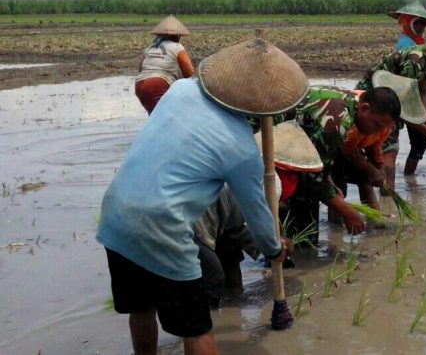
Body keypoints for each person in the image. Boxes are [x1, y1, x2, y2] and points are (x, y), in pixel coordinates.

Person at [97, 38, 305, 355]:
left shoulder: (179, 91)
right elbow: (258, 216)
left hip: (115, 214)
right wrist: (275, 249)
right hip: (161, 226)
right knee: (196, 329)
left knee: (142, 308)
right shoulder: (241, 149)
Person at [194, 121, 326, 307]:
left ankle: (229, 310)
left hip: (217, 220)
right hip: (195, 225)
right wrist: (275, 247)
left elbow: (237, 227)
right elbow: (248, 225)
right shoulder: (270, 182)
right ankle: (206, 328)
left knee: (228, 257)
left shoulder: (243, 160)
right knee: (212, 280)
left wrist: (270, 245)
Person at [279, 85, 408, 242]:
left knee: (308, 220)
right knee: (300, 230)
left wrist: (331, 185)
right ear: (365, 108)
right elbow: (313, 176)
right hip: (274, 147)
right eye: (377, 125)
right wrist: (347, 212)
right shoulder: (336, 121)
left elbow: (321, 164)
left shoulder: (351, 103)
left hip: (293, 148)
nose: (376, 132)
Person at [356, 30, 426, 187]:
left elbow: (421, 92)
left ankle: (387, 194)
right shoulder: (415, 61)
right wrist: (423, 129)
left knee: (389, 152)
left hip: (393, 101)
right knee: (388, 152)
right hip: (374, 102)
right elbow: (403, 103)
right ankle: (387, 197)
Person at [386, 1, 426, 176]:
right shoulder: (406, 45)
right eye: (418, 23)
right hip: (408, 101)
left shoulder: (421, 43)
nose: (422, 27)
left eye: (423, 23)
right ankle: (409, 181)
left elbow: (425, 79)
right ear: (407, 22)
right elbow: (408, 86)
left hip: (423, 101)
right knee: (419, 145)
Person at [134, 15, 194, 115]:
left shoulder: (150, 48)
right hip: (158, 85)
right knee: (165, 116)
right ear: (177, 36)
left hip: (139, 85)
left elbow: (141, 68)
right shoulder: (177, 47)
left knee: (154, 116)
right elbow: (189, 72)